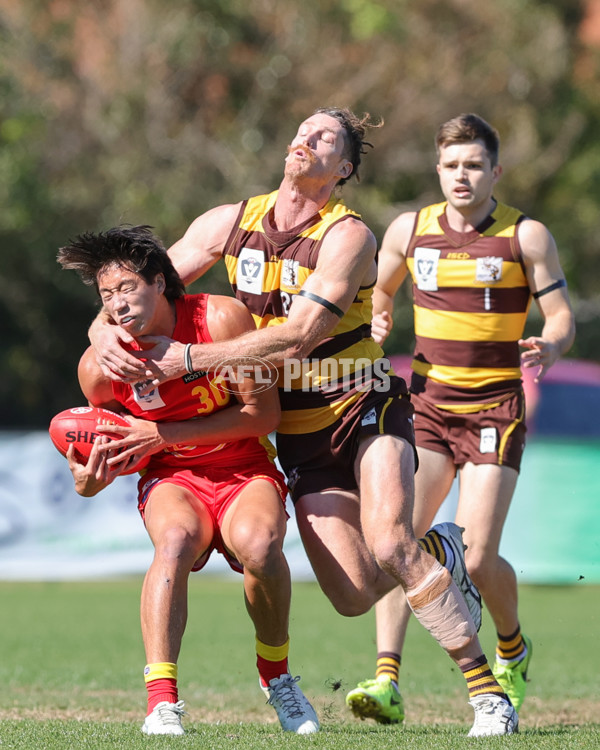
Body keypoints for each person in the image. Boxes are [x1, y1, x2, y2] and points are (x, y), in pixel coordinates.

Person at [88, 108, 518, 736]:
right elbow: (140, 286)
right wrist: (101, 332)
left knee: (389, 541)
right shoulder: (229, 222)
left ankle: (488, 698)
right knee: (351, 596)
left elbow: (300, 336)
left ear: (342, 168)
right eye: (302, 129)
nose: (304, 139)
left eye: (324, 138)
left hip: (364, 404)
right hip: (297, 432)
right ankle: (442, 551)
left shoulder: (348, 235)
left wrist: (189, 358)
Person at [346, 113, 575, 725]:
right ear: (438, 171)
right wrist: (379, 316)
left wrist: (550, 346)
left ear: (495, 171)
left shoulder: (526, 237)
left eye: (473, 165)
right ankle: (387, 681)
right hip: (424, 407)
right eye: (451, 165)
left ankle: (512, 649)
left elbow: (561, 317)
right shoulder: (408, 231)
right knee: (397, 541)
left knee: (475, 559)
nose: (461, 176)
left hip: (495, 407)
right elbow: (380, 289)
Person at [57, 225, 320, 736]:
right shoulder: (98, 368)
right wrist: (88, 482)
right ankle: (161, 701)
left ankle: (277, 677)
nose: (117, 303)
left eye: (127, 287)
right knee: (173, 542)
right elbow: (103, 455)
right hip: (172, 474)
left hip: (242, 461)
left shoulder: (222, 319)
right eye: (106, 295)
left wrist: (160, 432)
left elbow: (263, 416)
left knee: (261, 547)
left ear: (159, 282)